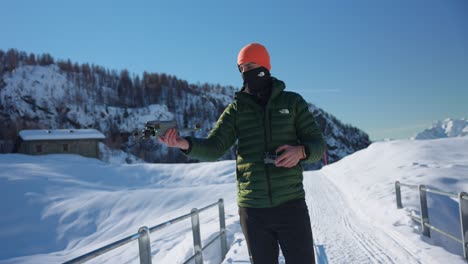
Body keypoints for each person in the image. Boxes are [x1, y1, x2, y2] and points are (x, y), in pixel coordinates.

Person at [158, 43, 326, 264]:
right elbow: (214, 147)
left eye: (251, 65)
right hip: (253, 210)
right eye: (242, 68)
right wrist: (183, 143)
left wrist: (301, 151)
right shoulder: (236, 109)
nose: (246, 72)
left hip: (291, 205)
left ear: (265, 66)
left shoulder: (292, 102)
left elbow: (318, 145)